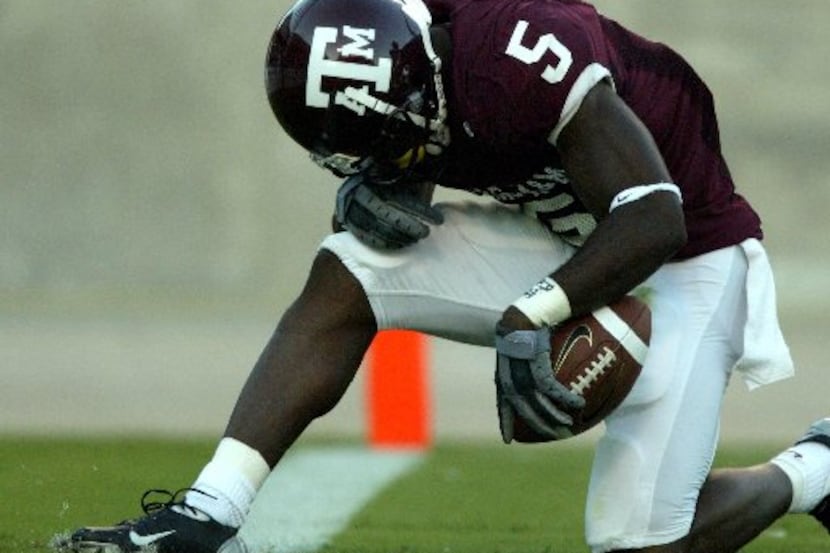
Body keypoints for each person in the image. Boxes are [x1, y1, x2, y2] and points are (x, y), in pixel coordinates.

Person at [59, 0, 830, 551]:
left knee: (635, 540)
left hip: (683, 257)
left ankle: (812, 470)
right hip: (560, 234)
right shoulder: (396, 62)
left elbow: (654, 215)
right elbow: (408, 147)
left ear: (425, 66)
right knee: (354, 267)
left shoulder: (518, 49)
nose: (394, 160)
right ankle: (207, 510)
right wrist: (385, 188)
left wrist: (534, 312)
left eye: (395, 138)